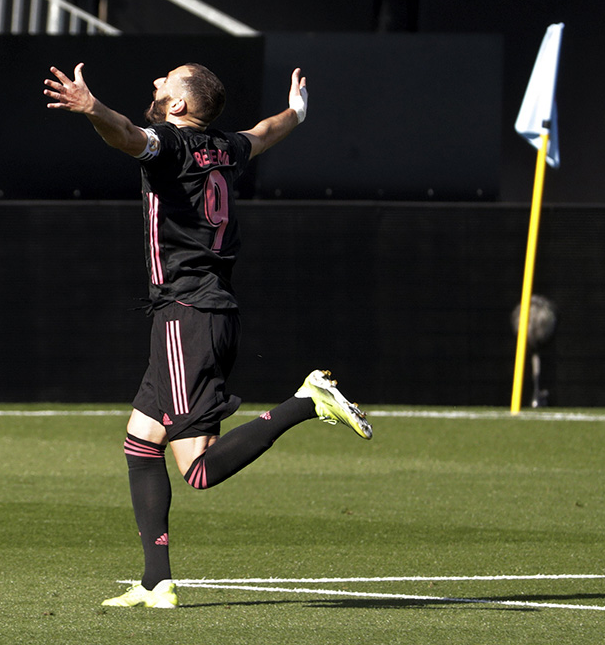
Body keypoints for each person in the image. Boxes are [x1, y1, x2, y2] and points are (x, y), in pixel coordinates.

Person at [43, 61, 373, 608]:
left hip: (188, 312)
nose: (154, 83)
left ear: (178, 108)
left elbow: (126, 136)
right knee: (140, 441)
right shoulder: (222, 146)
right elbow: (266, 133)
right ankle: (157, 582)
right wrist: (299, 111)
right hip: (197, 309)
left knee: (196, 467)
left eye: (165, 82)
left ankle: (304, 402)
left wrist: (91, 108)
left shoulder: (170, 145)